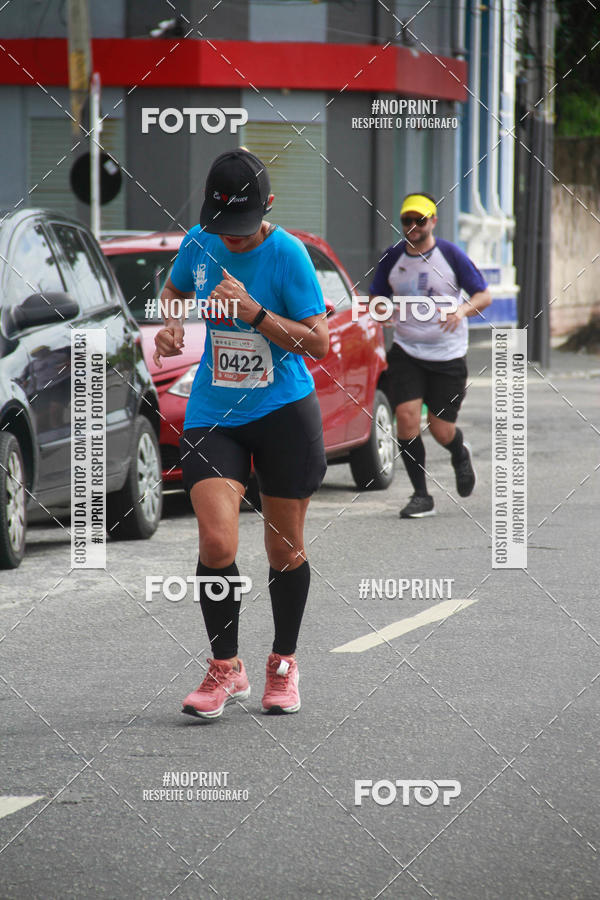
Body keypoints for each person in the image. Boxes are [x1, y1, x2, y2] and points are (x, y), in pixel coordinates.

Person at [153, 149, 329, 718]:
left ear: (268, 208)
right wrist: (173, 320)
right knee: (217, 542)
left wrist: (254, 314)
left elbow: (319, 343)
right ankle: (225, 668)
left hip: (283, 412)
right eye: (221, 227)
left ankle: (283, 663)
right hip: (213, 412)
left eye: (241, 229)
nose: (230, 238)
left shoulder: (288, 256)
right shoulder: (200, 243)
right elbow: (175, 289)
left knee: (283, 547)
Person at [369, 192, 492, 518]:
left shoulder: (450, 255)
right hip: (408, 352)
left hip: (448, 356)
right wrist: (383, 312)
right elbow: (376, 298)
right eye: (407, 220)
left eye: (419, 220)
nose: (412, 226)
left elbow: (483, 296)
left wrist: (461, 312)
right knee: (407, 421)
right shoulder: (392, 258)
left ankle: (458, 450)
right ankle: (421, 495)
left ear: (432, 221)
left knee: (440, 429)